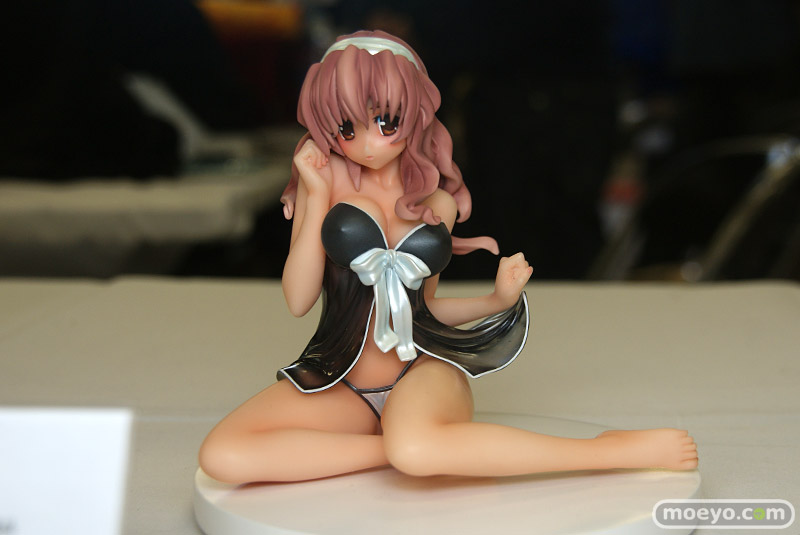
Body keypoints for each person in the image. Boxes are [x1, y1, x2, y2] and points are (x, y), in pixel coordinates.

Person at [199, 31, 698, 483]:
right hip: (343, 380)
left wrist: (495, 301)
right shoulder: (323, 188)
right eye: (347, 128)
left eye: (385, 122)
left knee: (416, 450)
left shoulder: (436, 203)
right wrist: (313, 192)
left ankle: (606, 451)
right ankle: (400, 450)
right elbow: (298, 300)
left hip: (421, 372)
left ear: (415, 111)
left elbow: (425, 312)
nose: (367, 145)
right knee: (223, 454)